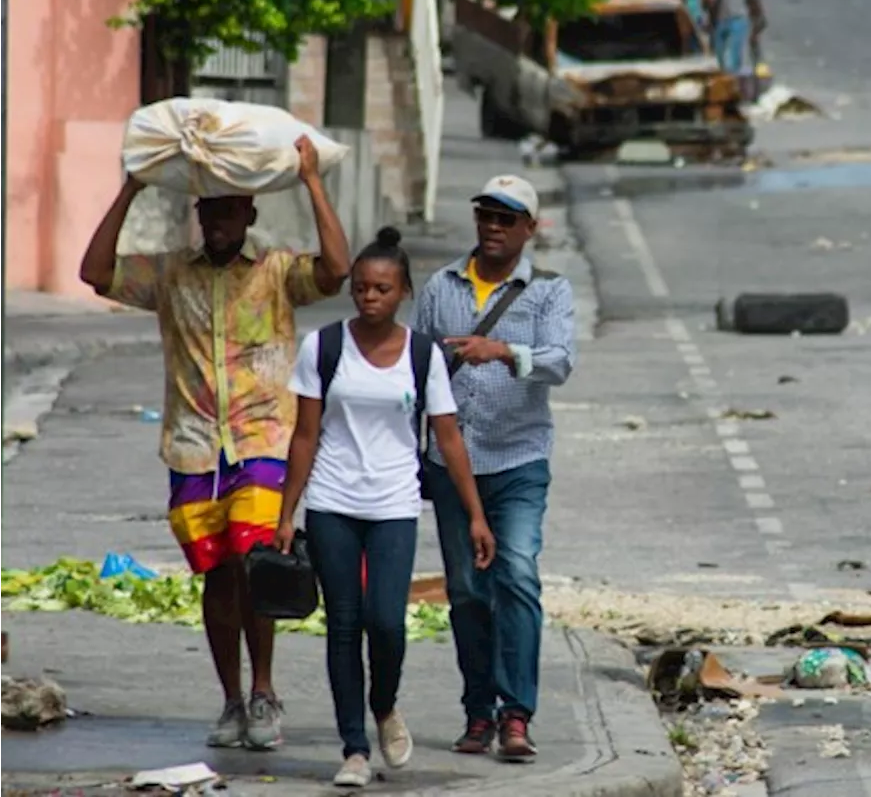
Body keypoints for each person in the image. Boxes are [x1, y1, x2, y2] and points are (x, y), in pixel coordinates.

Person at [77, 137, 351, 750]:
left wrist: (311, 181)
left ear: (250, 214)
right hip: (194, 447)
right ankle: (230, 699)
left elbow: (336, 270)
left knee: (259, 567)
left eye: (230, 211)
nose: (219, 222)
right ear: (199, 218)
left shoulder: (278, 271)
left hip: (262, 441)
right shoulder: (172, 273)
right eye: (210, 212)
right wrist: (132, 187)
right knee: (218, 576)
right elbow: (94, 273)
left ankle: (264, 691)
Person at [275, 227, 496, 787]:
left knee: (386, 622)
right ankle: (353, 747)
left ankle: (385, 706)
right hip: (332, 501)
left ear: (403, 293)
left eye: (382, 289)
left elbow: (447, 438)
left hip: (395, 502)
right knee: (344, 624)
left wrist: (474, 514)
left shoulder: (423, 356)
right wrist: (286, 514)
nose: (370, 297)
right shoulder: (322, 348)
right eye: (362, 288)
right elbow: (304, 436)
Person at [411, 175, 575, 762]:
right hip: (454, 467)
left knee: (518, 575)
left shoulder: (549, 292)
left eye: (508, 219)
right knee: (467, 591)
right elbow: (415, 370)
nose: (494, 227)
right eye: (487, 215)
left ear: (529, 229)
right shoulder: (441, 287)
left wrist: (503, 350)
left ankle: (517, 715)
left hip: (518, 459)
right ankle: (478, 712)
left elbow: (559, 363)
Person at [707, 0, 767, 102]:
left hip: (738, 19)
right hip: (721, 20)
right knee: (719, 61)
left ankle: (733, 96)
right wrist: (711, 24)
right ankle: (725, 93)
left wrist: (758, 20)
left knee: (733, 60)